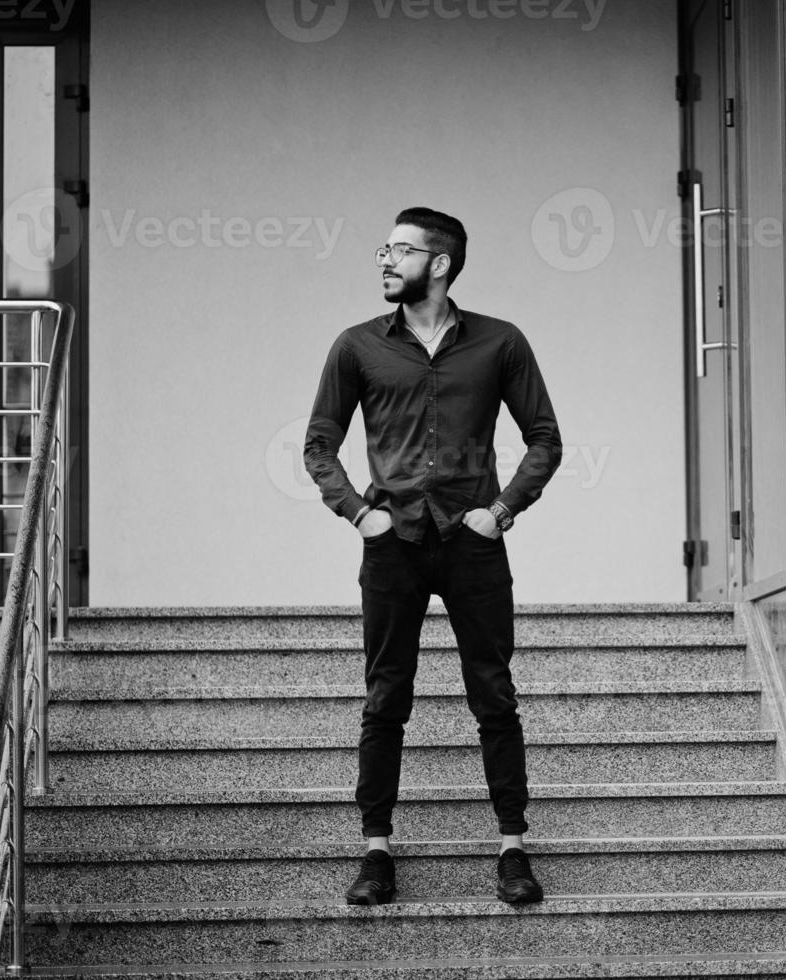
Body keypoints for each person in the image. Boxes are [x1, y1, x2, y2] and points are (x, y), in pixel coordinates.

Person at [304, 206, 562, 905]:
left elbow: (544, 437)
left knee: (494, 695)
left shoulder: (500, 343)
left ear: (439, 264)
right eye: (381, 249)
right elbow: (318, 445)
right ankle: (375, 851)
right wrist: (360, 514)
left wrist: (501, 511)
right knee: (386, 696)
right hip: (394, 544)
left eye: (400, 250)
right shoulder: (357, 346)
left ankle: (512, 848)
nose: (384, 261)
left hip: (470, 545)